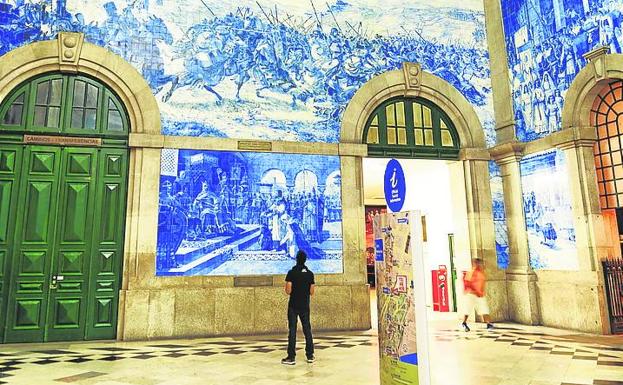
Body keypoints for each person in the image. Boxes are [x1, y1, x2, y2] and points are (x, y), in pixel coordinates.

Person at [282, 250, 315, 365]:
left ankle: (291, 357)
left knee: (292, 331)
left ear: (296, 259)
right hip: (305, 305)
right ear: (305, 260)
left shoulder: (291, 273)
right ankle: (310, 355)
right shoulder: (310, 274)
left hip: (293, 305)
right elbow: (312, 292)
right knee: (307, 330)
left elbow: (288, 290)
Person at [461, 258, 493, 332]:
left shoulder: (481, 273)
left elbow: (481, 284)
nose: (480, 265)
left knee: (484, 308)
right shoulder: (471, 272)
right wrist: (475, 292)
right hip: (471, 294)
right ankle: (464, 323)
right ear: (474, 264)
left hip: (479, 294)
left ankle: (488, 323)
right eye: (478, 263)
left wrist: (481, 292)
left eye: (480, 263)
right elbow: (468, 284)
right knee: (468, 309)